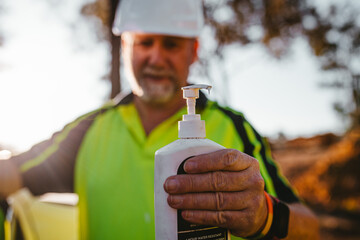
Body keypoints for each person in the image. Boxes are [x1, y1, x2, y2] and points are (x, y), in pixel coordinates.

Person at [0, 0, 319, 239]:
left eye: (171, 43)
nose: (156, 57)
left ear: (193, 51)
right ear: (125, 46)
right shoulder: (89, 130)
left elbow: (311, 227)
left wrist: (265, 214)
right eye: (144, 42)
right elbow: (13, 172)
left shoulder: (235, 127)